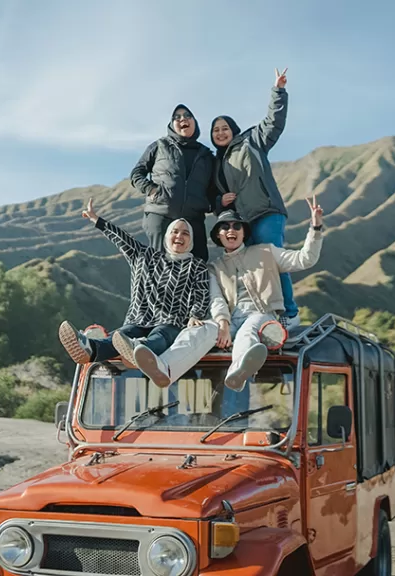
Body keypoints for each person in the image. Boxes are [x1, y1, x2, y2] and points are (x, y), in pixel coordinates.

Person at [57, 199, 218, 389]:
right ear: (167, 236)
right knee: (121, 336)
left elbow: (201, 293)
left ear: (191, 240)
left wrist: (195, 315)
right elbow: (122, 238)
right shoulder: (144, 256)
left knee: (159, 336)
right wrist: (96, 220)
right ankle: (90, 349)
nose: (179, 236)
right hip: (138, 318)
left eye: (185, 233)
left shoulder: (196, 266)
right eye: (175, 231)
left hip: (171, 321)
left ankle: (139, 352)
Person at [209, 67, 300, 328]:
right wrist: (219, 203)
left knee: (272, 261)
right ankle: (257, 314)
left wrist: (278, 91)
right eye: (215, 130)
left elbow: (274, 122)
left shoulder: (252, 141)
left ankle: (290, 314)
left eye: (224, 128)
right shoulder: (216, 163)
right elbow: (213, 198)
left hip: (265, 212)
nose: (220, 133)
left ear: (234, 129)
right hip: (241, 222)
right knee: (251, 270)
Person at [208, 198, 324, 392]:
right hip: (230, 319)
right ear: (218, 235)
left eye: (237, 226)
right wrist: (222, 324)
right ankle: (166, 367)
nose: (231, 230)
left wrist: (316, 227)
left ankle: (237, 373)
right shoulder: (214, 267)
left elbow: (305, 259)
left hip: (261, 314)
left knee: (248, 331)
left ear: (244, 233)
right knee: (204, 332)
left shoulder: (266, 252)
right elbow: (216, 300)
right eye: (225, 227)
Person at [130, 104, 214, 261]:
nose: (182, 119)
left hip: (193, 216)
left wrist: (212, 203)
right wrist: (151, 189)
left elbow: (212, 188)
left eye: (187, 115)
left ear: (195, 122)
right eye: (177, 117)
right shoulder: (159, 146)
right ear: (171, 124)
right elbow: (137, 173)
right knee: (158, 262)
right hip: (161, 212)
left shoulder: (206, 155)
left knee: (199, 261)